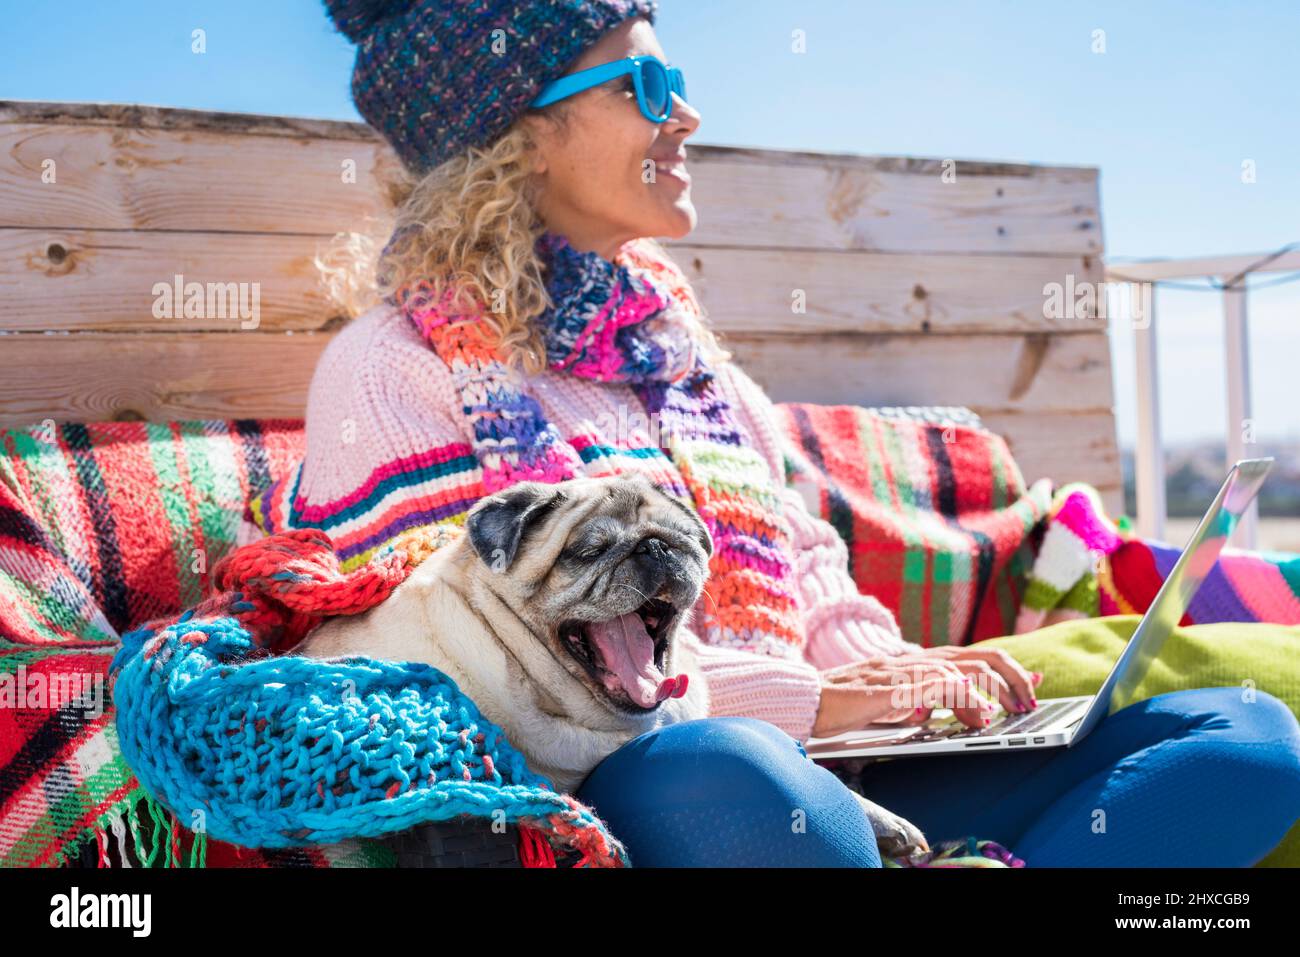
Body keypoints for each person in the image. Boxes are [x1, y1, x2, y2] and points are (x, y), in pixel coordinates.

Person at [267, 0, 1300, 866]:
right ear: (520, 132)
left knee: (1244, 739)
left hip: (833, 774)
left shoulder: (676, 350)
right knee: (729, 771)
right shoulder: (392, 368)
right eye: (648, 88)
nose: (688, 115)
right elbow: (488, 671)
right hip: (656, 795)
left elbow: (804, 566)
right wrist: (811, 705)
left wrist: (908, 690)